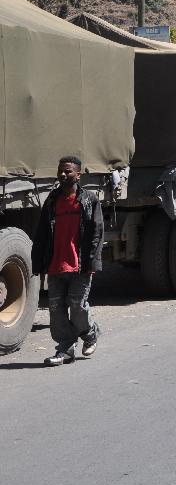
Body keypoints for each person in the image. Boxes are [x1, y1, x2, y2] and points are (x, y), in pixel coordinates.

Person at [32, 156, 103, 365]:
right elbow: (42, 234)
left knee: (77, 305)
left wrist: (92, 262)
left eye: (68, 171)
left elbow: (97, 233)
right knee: (56, 309)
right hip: (56, 265)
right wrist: (38, 263)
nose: (63, 174)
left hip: (80, 265)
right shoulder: (52, 201)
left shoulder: (89, 200)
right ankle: (65, 349)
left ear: (78, 175)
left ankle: (90, 333)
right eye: (61, 171)